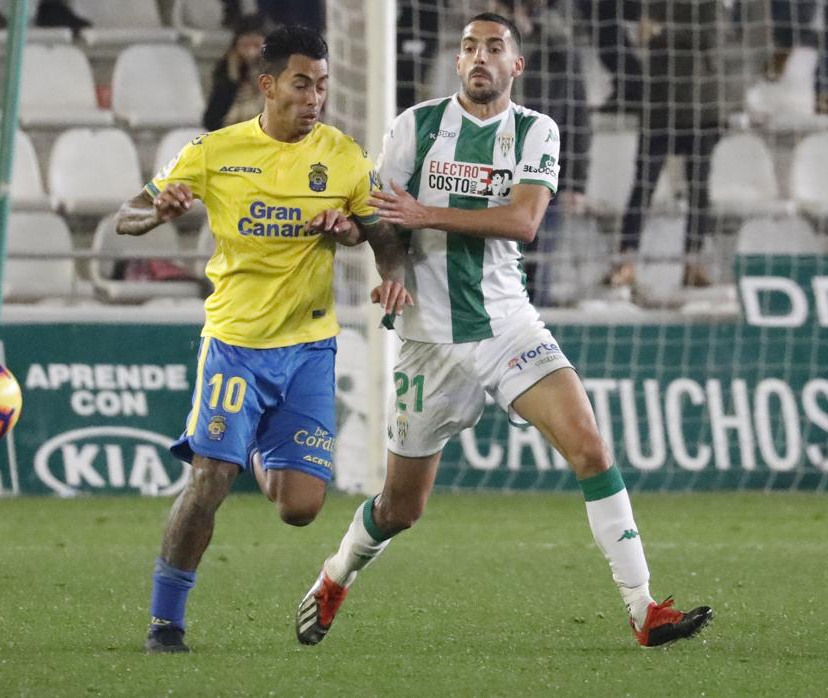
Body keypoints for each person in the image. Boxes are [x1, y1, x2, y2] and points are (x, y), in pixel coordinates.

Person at [294, 13, 712, 649]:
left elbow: (523, 222)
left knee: (591, 450)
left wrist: (423, 212)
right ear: (457, 64)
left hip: (507, 326)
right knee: (400, 509)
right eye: (469, 48)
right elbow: (386, 226)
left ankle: (642, 609)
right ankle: (335, 575)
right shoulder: (416, 127)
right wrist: (356, 236)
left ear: (517, 65)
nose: (480, 57)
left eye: (494, 47)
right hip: (426, 338)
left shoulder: (535, 130)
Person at [114, 24, 405, 654]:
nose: (315, 97)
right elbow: (126, 215)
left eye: (322, 85)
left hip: (306, 350)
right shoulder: (214, 151)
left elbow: (382, 237)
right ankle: (166, 621)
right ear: (268, 85)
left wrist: (383, 267)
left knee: (300, 508)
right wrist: (158, 211)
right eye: (302, 84)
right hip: (235, 345)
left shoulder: (345, 157)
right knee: (209, 481)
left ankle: (243, 443)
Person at [608, 0, 724, 289]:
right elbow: (641, 35)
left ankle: (693, 263)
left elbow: (707, 38)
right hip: (660, 105)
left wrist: (661, 32)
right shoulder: (656, 3)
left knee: (699, 189)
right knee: (643, 185)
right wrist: (645, 34)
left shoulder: (709, 6)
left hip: (700, 106)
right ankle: (626, 260)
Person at [495, 0, 593, 305]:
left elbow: (577, 120)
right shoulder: (487, 57)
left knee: (536, 269)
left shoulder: (560, 56)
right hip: (494, 176)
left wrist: (576, 182)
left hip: (543, 177)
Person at [203, 14, 269, 132]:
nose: (251, 53)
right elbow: (211, 122)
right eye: (245, 46)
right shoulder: (225, 73)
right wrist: (232, 78)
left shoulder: (279, 72)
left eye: (256, 46)